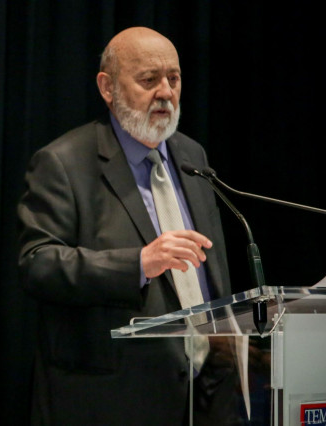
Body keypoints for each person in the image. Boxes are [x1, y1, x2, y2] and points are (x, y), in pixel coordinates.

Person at [17, 27, 233, 425]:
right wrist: (138, 263)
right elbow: (38, 264)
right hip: (114, 400)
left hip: (207, 395)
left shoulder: (191, 154)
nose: (166, 92)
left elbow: (211, 272)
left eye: (174, 78)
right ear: (108, 87)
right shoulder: (63, 162)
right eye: (149, 80)